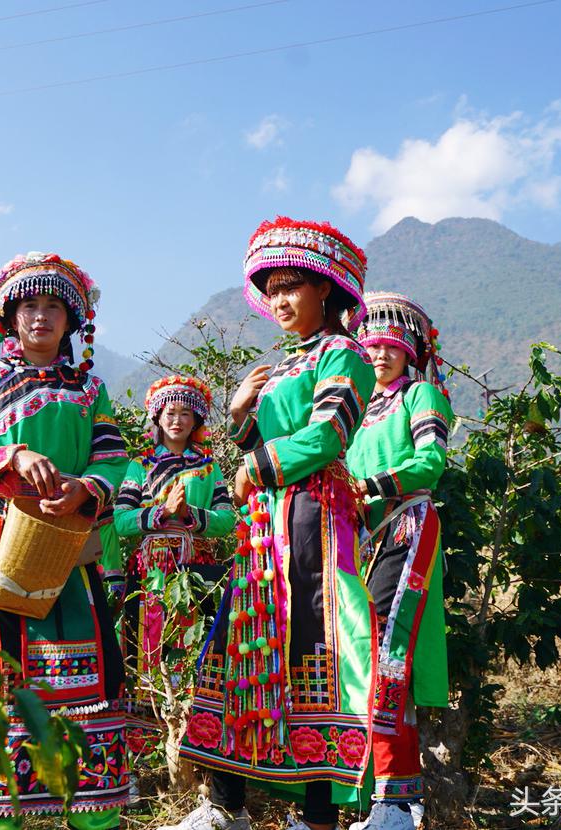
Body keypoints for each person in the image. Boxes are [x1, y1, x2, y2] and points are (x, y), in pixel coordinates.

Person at [170, 217, 377, 830]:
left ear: (328, 291)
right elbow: (267, 442)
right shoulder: (282, 366)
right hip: (265, 525)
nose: (280, 299)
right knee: (245, 650)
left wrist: (256, 462)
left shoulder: (345, 353)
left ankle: (318, 817)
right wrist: (240, 417)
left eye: (293, 285)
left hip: (314, 517)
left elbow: (327, 434)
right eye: (273, 288)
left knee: (314, 649)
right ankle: (227, 805)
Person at [0, 252, 130, 827]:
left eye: (52, 307)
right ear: (10, 317)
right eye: (29, 306)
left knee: (91, 673)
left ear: (72, 322)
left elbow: (114, 458)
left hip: (67, 548)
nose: (40, 316)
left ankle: (92, 811)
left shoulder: (91, 389)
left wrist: (85, 488)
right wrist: (10, 456)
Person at [344, 292, 454, 830]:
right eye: (371, 345)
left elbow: (431, 460)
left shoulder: (422, 395)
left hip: (407, 523)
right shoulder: (360, 410)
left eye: (392, 345)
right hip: (363, 537)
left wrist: (372, 485)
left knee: (387, 651)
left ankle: (396, 799)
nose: (381, 354)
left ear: (412, 350)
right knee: (358, 652)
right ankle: (367, 795)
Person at [113, 375, 236, 774]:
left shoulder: (209, 467)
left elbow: (226, 520)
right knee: (148, 651)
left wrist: (188, 517)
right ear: (157, 417)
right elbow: (120, 520)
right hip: (150, 572)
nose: (177, 420)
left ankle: (193, 753)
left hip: (195, 569)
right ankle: (145, 759)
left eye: (185, 413)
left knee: (190, 648)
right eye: (170, 412)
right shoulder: (140, 465)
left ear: (197, 418)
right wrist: (159, 513)